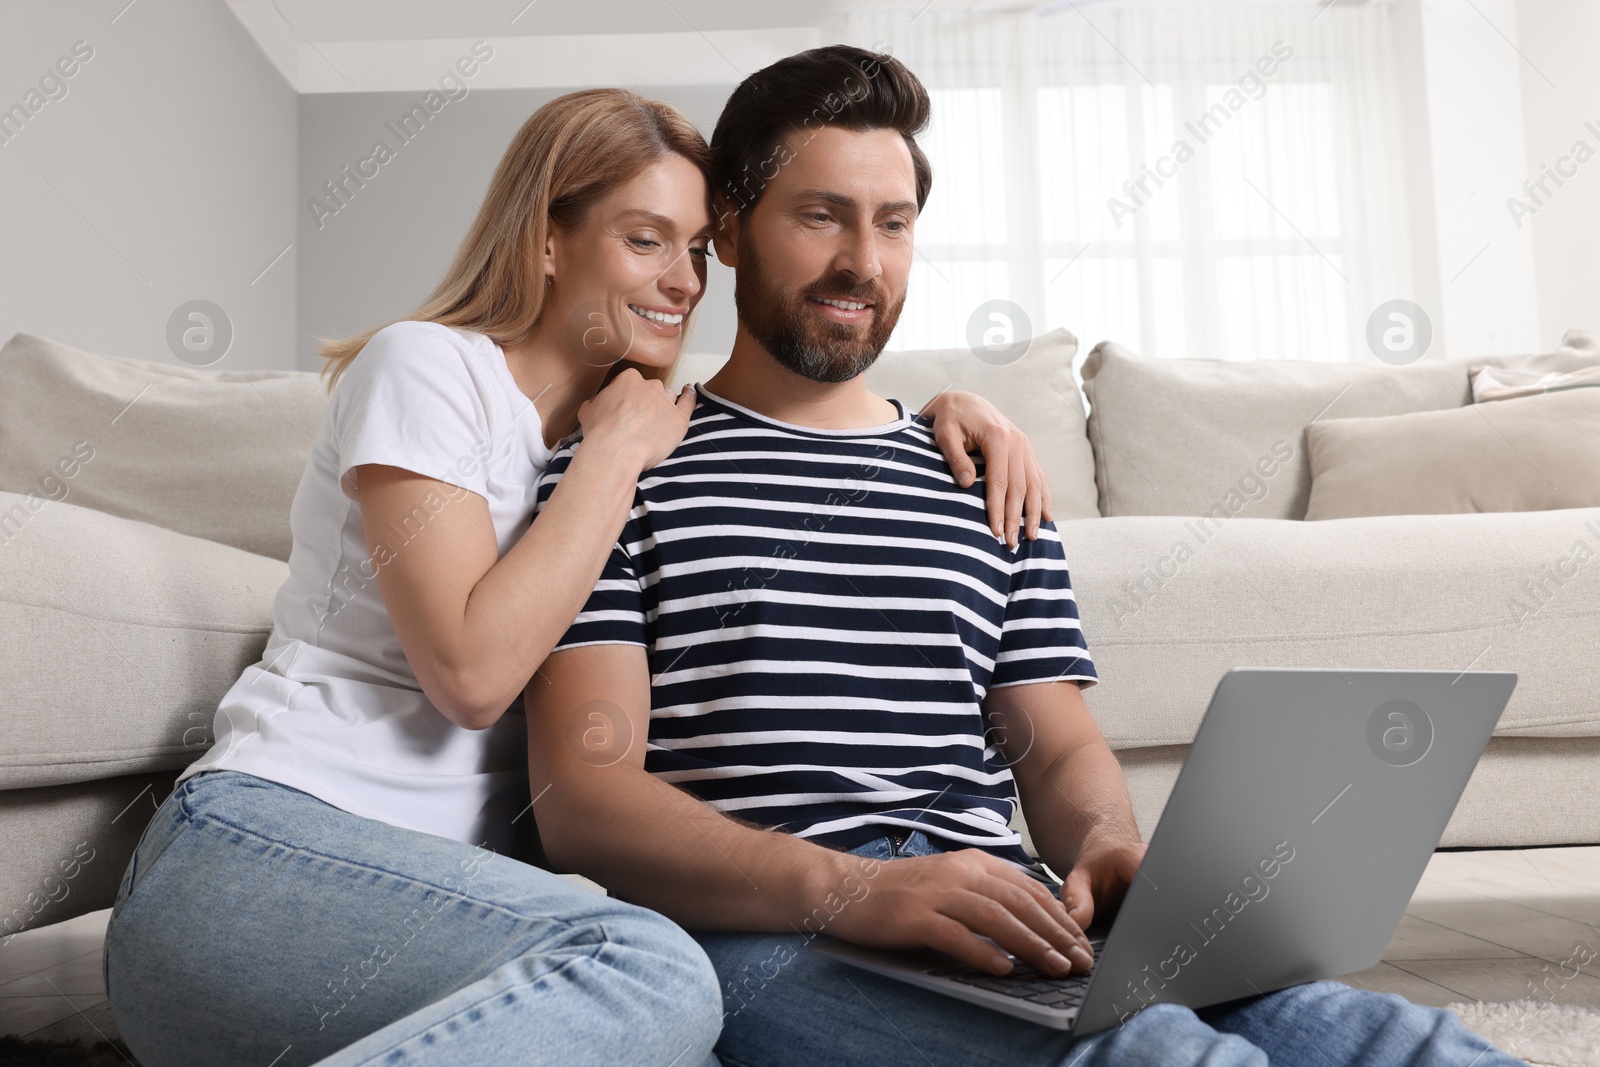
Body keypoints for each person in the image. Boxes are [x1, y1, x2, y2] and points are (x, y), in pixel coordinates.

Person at [521, 45, 1524, 1067]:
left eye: (894, 222)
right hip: (771, 929)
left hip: (1009, 902)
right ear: (728, 229)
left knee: (1395, 1041)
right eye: (820, 214)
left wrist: (1101, 841)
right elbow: (583, 803)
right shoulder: (619, 471)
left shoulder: (982, 473)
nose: (862, 261)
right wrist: (857, 887)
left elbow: (1055, 742)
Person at [101, 86, 1053, 1067]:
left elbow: (804, 407)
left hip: (447, 925)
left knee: (676, 1022)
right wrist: (609, 460)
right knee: (652, 971)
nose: (683, 281)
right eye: (645, 240)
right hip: (260, 855)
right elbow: (471, 677)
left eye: (693, 248)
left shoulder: (638, 433)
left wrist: (947, 411)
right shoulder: (430, 368)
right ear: (547, 240)